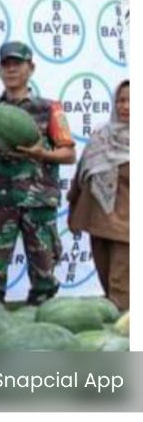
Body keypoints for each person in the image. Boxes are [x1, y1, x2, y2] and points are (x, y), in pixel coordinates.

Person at [0, 40, 76, 304]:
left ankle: (45, 324)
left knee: (44, 274)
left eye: (18, 63)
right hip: (1, 201)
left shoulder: (50, 109)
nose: (11, 69)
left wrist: (41, 154)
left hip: (38, 202)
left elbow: (69, 154)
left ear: (31, 68)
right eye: (6, 64)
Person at [68, 79, 129, 310]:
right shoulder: (101, 137)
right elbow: (82, 175)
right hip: (98, 223)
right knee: (108, 281)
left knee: (121, 287)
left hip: (127, 228)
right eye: (121, 100)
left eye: (132, 101)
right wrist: (73, 210)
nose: (125, 106)